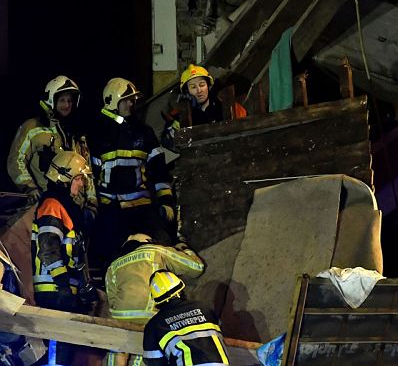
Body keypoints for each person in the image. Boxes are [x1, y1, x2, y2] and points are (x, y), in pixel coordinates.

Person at [103, 233, 205, 366]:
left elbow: (111, 299)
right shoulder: (156, 252)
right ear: (147, 242)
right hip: (150, 316)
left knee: (118, 345)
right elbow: (196, 268)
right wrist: (185, 249)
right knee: (142, 358)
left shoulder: (113, 266)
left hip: (121, 318)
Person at [89, 78, 174, 266]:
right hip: (110, 210)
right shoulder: (96, 135)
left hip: (141, 208)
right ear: (112, 101)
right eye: (126, 99)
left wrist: (166, 202)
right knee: (112, 258)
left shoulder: (144, 133)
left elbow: (159, 171)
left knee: (160, 245)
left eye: (132, 99)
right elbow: (90, 177)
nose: (131, 103)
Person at [31, 151, 96, 366]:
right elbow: (48, 247)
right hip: (53, 286)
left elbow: (76, 253)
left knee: (64, 343)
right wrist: (62, 283)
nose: (81, 184)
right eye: (78, 179)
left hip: (65, 286)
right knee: (57, 344)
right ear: (63, 177)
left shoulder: (68, 208)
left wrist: (83, 286)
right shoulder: (51, 205)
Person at [7, 75, 97, 216]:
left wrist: (91, 203)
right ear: (51, 100)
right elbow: (16, 160)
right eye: (62, 100)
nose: (66, 105)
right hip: (45, 205)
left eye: (69, 101)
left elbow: (87, 170)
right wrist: (30, 188)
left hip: (75, 207)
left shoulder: (77, 133)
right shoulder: (33, 128)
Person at [162, 64, 246, 148]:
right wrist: (192, 112)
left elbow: (245, 134)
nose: (199, 90)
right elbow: (170, 143)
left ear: (208, 86)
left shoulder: (227, 106)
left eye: (202, 85)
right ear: (187, 91)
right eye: (193, 87)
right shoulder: (178, 115)